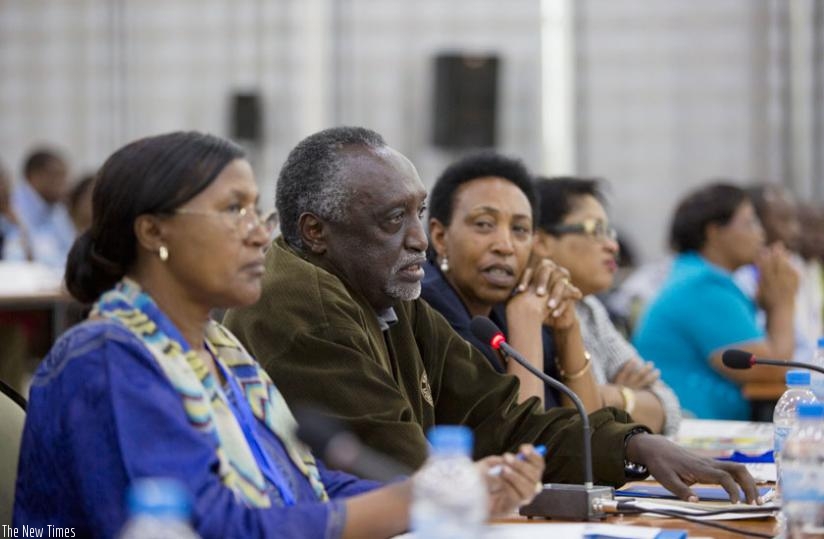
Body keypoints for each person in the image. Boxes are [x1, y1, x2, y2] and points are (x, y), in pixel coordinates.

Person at [12, 131, 546, 538]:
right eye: (232, 210)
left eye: (255, 209)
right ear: (153, 231)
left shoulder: (222, 353)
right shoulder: (106, 360)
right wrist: (409, 502)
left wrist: (448, 489)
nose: (258, 233)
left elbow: (305, 482)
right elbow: (207, 525)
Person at [225, 126, 759, 503]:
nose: (417, 240)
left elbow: (500, 415)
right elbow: (404, 470)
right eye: (393, 220)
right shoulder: (307, 312)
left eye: (418, 213)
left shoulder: (384, 292)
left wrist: (635, 444)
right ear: (316, 231)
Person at [422, 151, 600, 411]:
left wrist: (567, 330)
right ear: (440, 237)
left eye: (519, 229)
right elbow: (524, 432)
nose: (505, 246)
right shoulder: (425, 309)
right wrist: (526, 324)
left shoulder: (512, 301)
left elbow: (589, 429)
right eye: (484, 224)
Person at [633, 182, 798, 420]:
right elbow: (770, 369)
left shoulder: (696, 276)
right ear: (715, 232)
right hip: (690, 426)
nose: (761, 233)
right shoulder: (703, 286)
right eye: (749, 223)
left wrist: (773, 305)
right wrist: (784, 302)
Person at [531, 177, 682, 435]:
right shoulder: (528, 311)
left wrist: (614, 396)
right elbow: (582, 423)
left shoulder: (588, 307)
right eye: (595, 230)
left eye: (608, 232)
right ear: (542, 241)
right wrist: (626, 397)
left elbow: (670, 409)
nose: (613, 246)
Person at [10, 148, 75, 268]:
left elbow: (71, 252)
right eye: (57, 176)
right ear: (33, 176)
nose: (64, 183)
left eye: (64, 177)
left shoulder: (57, 209)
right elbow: (15, 260)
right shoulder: (13, 208)